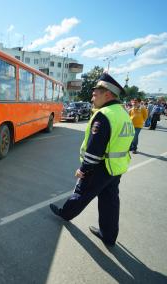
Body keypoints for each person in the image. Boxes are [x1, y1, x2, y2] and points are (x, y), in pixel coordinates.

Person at [49, 73, 134, 247]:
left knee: (81, 193)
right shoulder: (123, 113)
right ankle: (109, 236)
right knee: (110, 201)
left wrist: (84, 169)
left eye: (96, 94)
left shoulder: (104, 115)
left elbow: (95, 150)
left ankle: (65, 214)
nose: (92, 97)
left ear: (107, 95)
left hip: (101, 166)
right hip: (116, 167)